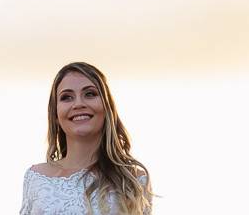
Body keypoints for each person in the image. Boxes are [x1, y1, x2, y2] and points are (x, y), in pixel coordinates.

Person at [20, 62, 152, 215]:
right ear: (55, 115)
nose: (78, 104)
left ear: (107, 107)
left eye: (90, 94)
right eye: (67, 97)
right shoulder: (36, 177)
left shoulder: (133, 181)